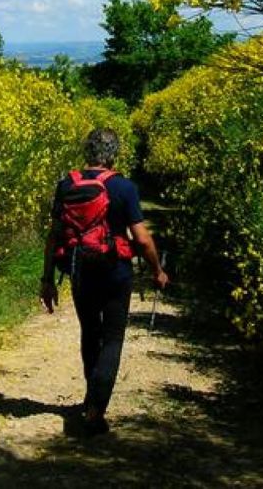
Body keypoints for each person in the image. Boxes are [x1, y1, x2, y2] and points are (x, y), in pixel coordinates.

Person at [39, 128, 169, 435]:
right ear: (113, 154)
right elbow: (142, 238)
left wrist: (47, 279)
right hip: (116, 273)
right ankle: (96, 410)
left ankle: (91, 397)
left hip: (80, 270)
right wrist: (156, 271)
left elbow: (53, 235)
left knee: (90, 333)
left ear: (87, 151)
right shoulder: (124, 187)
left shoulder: (66, 184)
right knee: (112, 339)